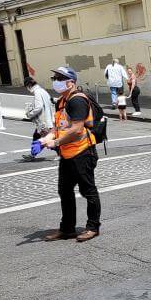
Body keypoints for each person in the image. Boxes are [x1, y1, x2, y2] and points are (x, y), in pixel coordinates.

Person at [39, 67, 101, 242]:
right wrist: (48, 137)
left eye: (59, 78)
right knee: (64, 191)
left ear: (71, 82)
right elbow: (58, 126)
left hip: (82, 152)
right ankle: (67, 229)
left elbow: (76, 129)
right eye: (54, 77)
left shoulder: (77, 101)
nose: (55, 80)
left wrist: (56, 142)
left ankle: (93, 227)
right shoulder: (61, 101)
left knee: (88, 191)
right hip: (67, 154)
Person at [22, 76, 54, 161]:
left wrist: (30, 114)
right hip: (49, 119)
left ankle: (62, 152)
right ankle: (33, 154)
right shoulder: (43, 91)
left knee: (47, 138)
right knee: (38, 136)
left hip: (43, 121)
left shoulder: (37, 92)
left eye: (26, 87)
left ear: (28, 85)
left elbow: (38, 107)